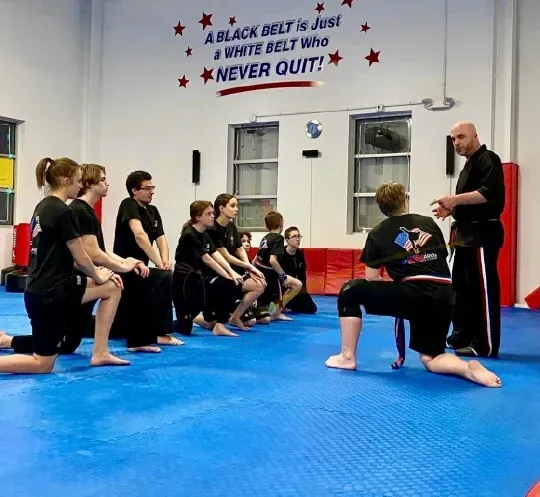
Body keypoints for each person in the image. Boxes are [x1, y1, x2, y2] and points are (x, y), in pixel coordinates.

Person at [325, 182, 501, 388]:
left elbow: (372, 279)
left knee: (349, 291)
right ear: (404, 201)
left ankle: (347, 357)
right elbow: (439, 260)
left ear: (381, 208)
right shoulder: (428, 223)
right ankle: (466, 369)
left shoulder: (377, 233)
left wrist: (396, 296)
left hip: (413, 293)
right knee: (432, 357)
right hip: (444, 293)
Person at [0, 157, 129, 373]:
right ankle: (99, 352)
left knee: (113, 286)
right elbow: (82, 258)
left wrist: (100, 277)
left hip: (43, 287)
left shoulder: (43, 206)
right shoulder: (64, 212)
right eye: (78, 181)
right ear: (65, 180)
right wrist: (98, 276)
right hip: (53, 293)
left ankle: (100, 352)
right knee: (42, 364)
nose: (80, 186)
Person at [431, 121, 505, 358]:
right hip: (463, 236)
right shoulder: (466, 168)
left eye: (461, 137)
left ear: (475, 136)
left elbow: (489, 195)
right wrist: (451, 210)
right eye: (453, 139)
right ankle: (463, 335)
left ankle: (485, 345)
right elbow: (466, 202)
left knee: (482, 291)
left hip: (482, 235)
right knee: (461, 290)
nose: (457, 143)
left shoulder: (488, 159)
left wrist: (454, 201)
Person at [113, 170, 181, 349]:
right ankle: (159, 333)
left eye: (153, 188)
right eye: (147, 188)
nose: (152, 191)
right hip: (124, 267)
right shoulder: (128, 204)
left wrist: (165, 261)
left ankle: (153, 329)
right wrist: (159, 264)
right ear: (135, 190)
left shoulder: (153, 211)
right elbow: (140, 236)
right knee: (163, 277)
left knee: (165, 275)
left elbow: (162, 240)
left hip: (141, 267)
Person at [172, 200, 244, 337]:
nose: (213, 216)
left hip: (199, 280)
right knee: (184, 328)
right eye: (209, 213)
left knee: (230, 283)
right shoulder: (189, 234)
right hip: (184, 284)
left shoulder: (205, 233)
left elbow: (216, 254)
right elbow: (208, 260)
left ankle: (219, 325)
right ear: (198, 217)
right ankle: (162, 324)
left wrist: (231, 273)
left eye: (213, 213)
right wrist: (227, 275)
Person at [200, 194, 268, 329]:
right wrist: (251, 267)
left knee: (259, 285)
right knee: (211, 324)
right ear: (221, 208)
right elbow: (226, 256)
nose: (236, 209)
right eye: (232, 206)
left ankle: (235, 317)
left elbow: (240, 249)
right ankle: (195, 317)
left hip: (233, 277)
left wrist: (249, 269)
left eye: (236, 205)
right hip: (216, 278)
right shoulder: (213, 229)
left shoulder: (231, 226)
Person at [253, 211, 303, 321]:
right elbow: (273, 260)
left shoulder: (265, 238)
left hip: (260, 271)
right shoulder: (278, 238)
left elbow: (256, 258)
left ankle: (271, 310)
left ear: (266, 226)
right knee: (297, 285)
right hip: (269, 274)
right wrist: (283, 276)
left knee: (297, 284)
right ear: (281, 224)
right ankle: (276, 312)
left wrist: (252, 270)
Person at [278, 227, 317, 314]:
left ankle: (289, 304)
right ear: (287, 240)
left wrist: (303, 291)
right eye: (294, 236)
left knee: (312, 309)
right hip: (284, 287)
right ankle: (280, 305)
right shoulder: (281, 254)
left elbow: (302, 275)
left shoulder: (300, 254)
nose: (297, 239)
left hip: (296, 288)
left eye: (299, 236)